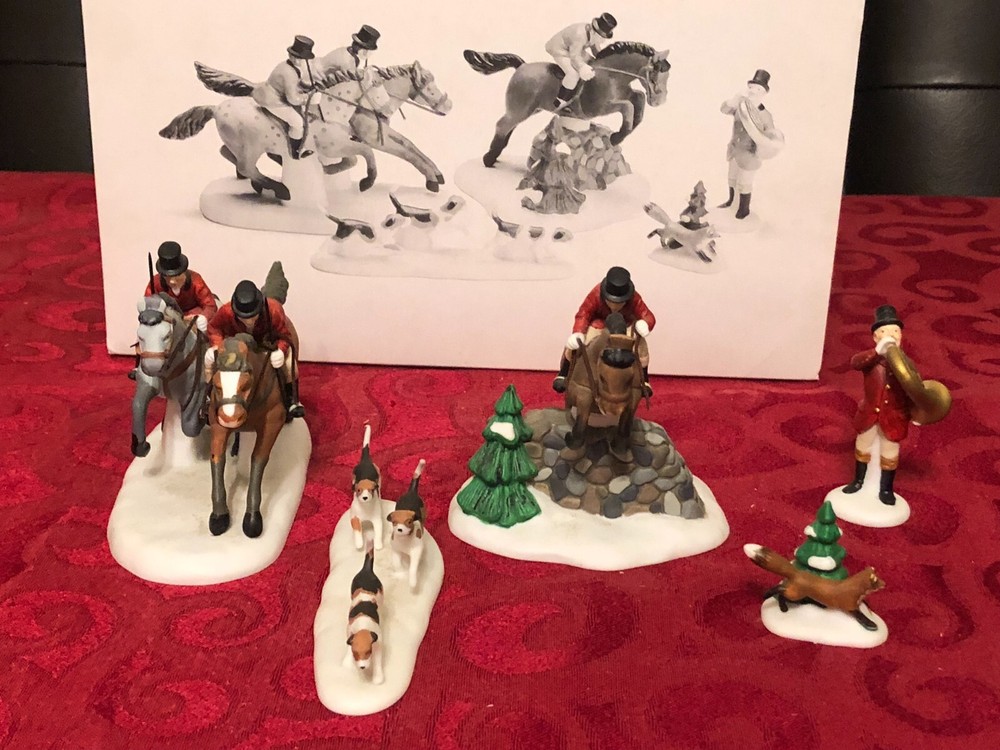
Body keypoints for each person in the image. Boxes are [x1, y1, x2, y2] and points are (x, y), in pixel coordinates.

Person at [841, 305, 915, 505]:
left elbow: (914, 388)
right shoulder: (870, 360)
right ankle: (858, 481)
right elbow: (856, 362)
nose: (891, 335)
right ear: (875, 337)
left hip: (893, 416)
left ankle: (886, 489)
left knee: (889, 452)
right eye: (884, 331)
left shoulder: (907, 364)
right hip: (869, 414)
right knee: (862, 446)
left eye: (895, 331)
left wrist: (917, 411)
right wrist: (876, 352)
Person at [205, 281, 304, 419]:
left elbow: (284, 334)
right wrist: (218, 346)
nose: (249, 321)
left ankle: (292, 400)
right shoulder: (226, 311)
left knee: (289, 364)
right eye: (243, 317)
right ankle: (208, 399)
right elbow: (213, 328)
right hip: (237, 348)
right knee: (209, 363)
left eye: (253, 315)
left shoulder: (273, 309)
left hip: (266, 346)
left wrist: (280, 350)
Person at [553, 266, 655, 396]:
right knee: (577, 343)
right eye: (611, 301)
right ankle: (564, 373)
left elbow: (647, 315)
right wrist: (578, 332)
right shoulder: (595, 294)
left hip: (625, 325)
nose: (615, 305)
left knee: (641, 347)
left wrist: (645, 324)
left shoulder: (634, 298)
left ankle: (644, 380)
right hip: (600, 324)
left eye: (620, 302)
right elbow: (584, 313)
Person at [718, 69, 778, 219]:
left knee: (744, 181)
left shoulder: (765, 115)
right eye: (751, 87)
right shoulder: (741, 107)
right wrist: (733, 100)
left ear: (763, 93)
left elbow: (770, 135)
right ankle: (731, 201)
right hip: (734, 150)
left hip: (750, 154)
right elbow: (724, 109)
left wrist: (765, 145)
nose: (753, 91)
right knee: (732, 177)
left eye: (758, 89)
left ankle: (743, 209)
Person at [251, 35, 318, 159]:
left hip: (277, 94)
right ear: (291, 55)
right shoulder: (289, 72)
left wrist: (308, 87)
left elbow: (296, 84)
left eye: (302, 58)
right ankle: (296, 152)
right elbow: (293, 99)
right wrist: (308, 97)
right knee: (297, 123)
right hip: (273, 101)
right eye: (296, 57)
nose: (299, 61)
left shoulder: (290, 66)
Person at [545, 13, 617, 110]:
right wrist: (582, 67)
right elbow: (574, 56)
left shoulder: (592, 34)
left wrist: (603, 59)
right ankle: (560, 101)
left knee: (592, 63)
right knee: (573, 74)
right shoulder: (579, 35)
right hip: (560, 49)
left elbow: (595, 48)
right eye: (602, 37)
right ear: (595, 32)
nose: (603, 40)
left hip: (574, 48)